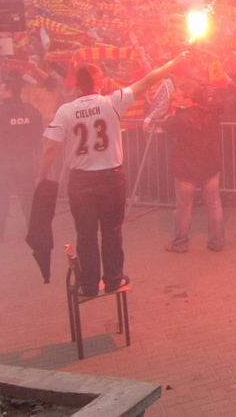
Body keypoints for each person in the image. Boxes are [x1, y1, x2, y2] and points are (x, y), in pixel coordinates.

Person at [38, 53, 191, 297]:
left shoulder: (66, 111)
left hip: (80, 180)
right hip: (110, 177)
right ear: (100, 83)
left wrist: (41, 177)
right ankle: (113, 279)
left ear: (77, 84)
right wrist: (174, 62)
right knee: (111, 232)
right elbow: (148, 80)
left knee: (85, 234)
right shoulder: (112, 102)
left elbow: (50, 148)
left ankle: (89, 284)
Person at [163, 81, 225, 252]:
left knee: (184, 208)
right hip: (210, 165)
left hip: (187, 167)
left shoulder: (181, 119)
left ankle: (180, 243)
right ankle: (217, 241)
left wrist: (173, 115)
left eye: (179, 94)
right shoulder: (211, 114)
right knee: (213, 203)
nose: (175, 96)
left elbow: (167, 125)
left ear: (188, 100)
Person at [0, 79, 44, 243]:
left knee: (0, 198)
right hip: (24, 160)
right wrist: (27, 148)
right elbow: (38, 132)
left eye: (2, 90)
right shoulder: (30, 110)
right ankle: (36, 232)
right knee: (28, 197)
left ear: (9, 92)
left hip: (2, 161)